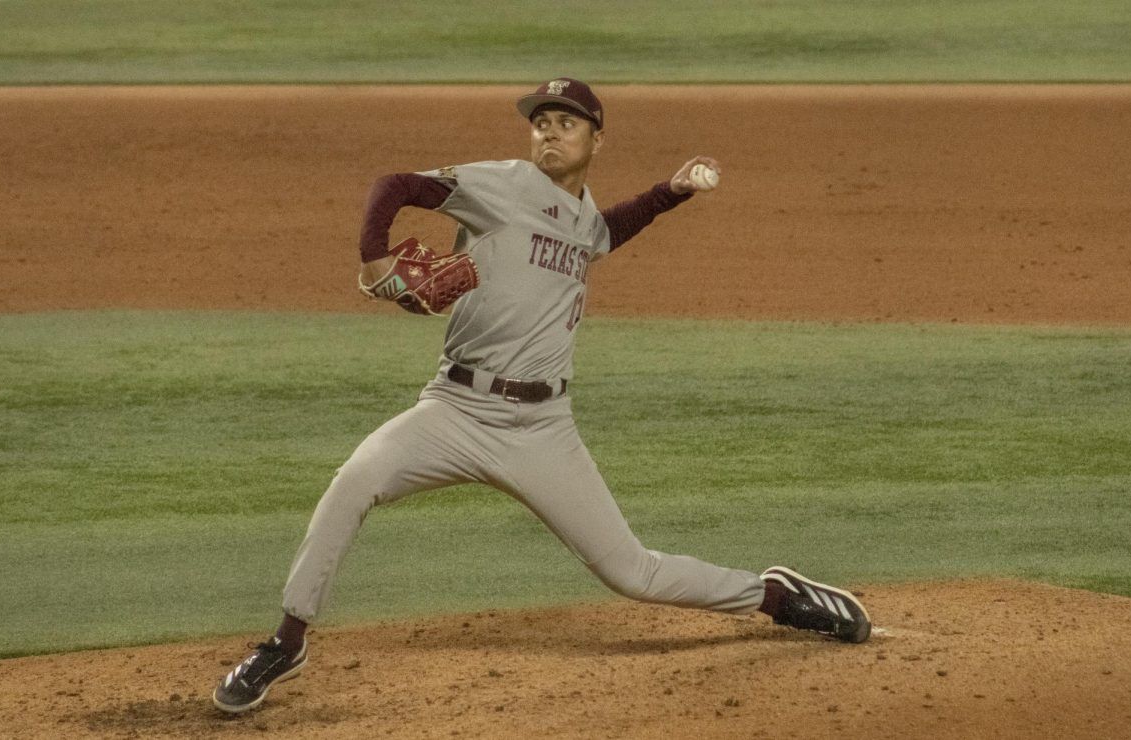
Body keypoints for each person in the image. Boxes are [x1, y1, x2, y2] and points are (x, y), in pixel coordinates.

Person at [212, 77, 871, 714]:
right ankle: (286, 643)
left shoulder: (580, 214)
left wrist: (671, 193)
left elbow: (603, 232)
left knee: (631, 572)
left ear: (596, 140)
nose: (550, 132)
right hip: (455, 410)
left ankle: (775, 597)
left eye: (567, 123)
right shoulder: (504, 183)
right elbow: (397, 185)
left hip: (542, 429)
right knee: (355, 480)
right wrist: (373, 258)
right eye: (541, 122)